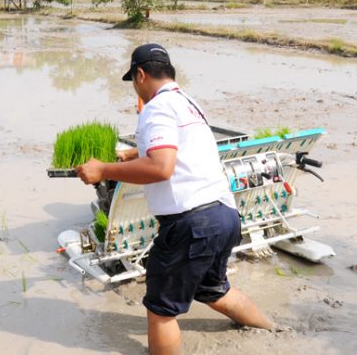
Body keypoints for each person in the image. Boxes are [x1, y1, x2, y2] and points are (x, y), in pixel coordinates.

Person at [75, 43, 272, 354]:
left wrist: (103, 170)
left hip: (192, 223)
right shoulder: (188, 103)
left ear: (140, 75)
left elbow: (161, 167)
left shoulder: (156, 107)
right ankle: (271, 331)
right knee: (214, 290)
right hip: (224, 215)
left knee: (160, 310)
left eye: (134, 83)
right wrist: (132, 153)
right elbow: (177, 152)